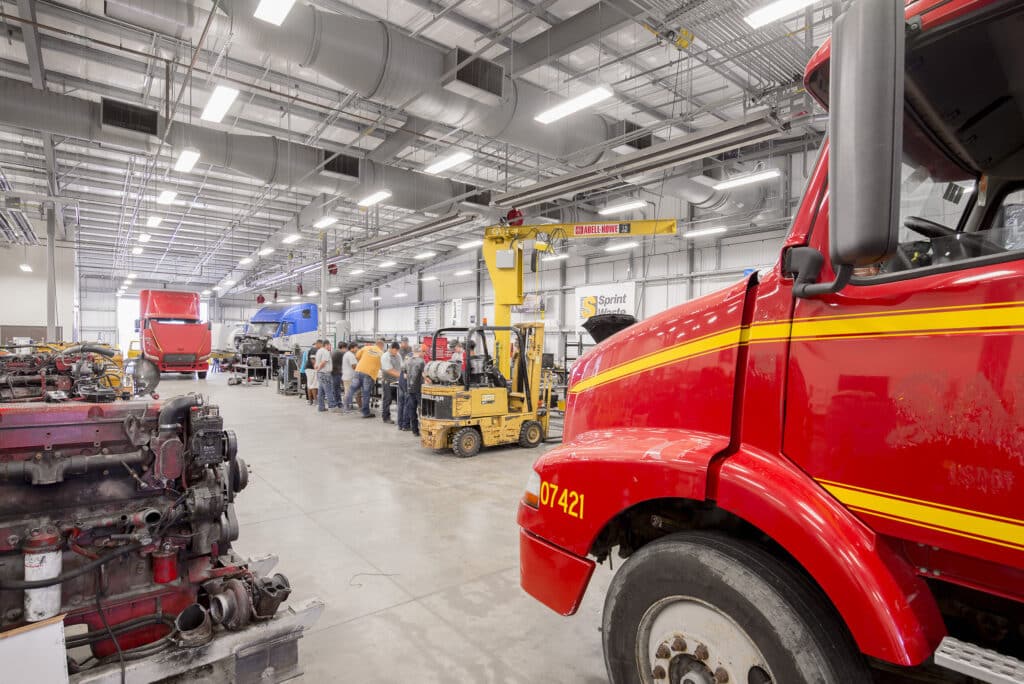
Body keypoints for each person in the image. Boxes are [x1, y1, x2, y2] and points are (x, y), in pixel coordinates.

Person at [347, 338, 384, 418]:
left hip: (358, 371)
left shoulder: (366, 348)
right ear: (382, 346)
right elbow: (383, 366)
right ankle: (365, 413)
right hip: (369, 374)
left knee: (352, 389)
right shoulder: (381, 353)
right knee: (366, 394)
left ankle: (345, 406)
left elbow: (356, 356)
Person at [402, 346, 427, 436]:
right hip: (419, 389)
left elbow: (405, 376)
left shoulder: (407, 361)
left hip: (410, 389)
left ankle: (415, 431)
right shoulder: (421, 361)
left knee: (412, 410)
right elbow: (424, 375)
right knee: (424, 411)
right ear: (419, 351)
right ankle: (425, 430)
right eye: (422, 352)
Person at [380, 342, 402, 424]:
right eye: (395, 351)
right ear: (391, 348)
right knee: (387, 399)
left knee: (399, 399)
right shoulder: (385, 356)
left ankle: (400, 417)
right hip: (387, 381)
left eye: (397, 351)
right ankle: (386, 417)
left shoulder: (398, 355)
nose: (396, 352)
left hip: (396, 381)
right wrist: (401, 376)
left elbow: (401, 366)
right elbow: (389, 370)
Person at [314, 340, 335, 412]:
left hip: (320, 374)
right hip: (325, 373)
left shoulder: (319, 351)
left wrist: (317, 369)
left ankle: (321, 407)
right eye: (330, 345)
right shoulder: (325, 352)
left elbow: (316, 362)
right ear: (327, 345)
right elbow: (324, 362)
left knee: (321, 391)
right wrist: (319, 368)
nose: (330, 347)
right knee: (328, 390)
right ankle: (332, 406)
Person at [302, 341, 322, 405]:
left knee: (309, 385)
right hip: (311, 368)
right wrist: (315, 367)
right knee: (313, 385)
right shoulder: (314, 349)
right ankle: (315, 401)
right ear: (318, 344)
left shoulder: (312, 349)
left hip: (308, 368)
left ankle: (310, 401)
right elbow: (313, 359)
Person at [341, 342, 358, 409]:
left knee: (348, 391)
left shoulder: (347, 354)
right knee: (348, 392)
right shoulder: (350, 355)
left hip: (346, 376)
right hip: (349, 376)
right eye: (356, 347)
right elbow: (354, 366)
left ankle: (348, 406)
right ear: (352, 348)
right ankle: (346, 407)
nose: (357, 349)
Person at [330, 341, 345, 410]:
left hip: (333, 372)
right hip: (336, 373)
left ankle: (336, 402)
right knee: (337, 389)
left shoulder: (334, 351)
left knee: (334, 389)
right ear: (343, 347)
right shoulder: (340, 353)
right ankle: (338, 403)